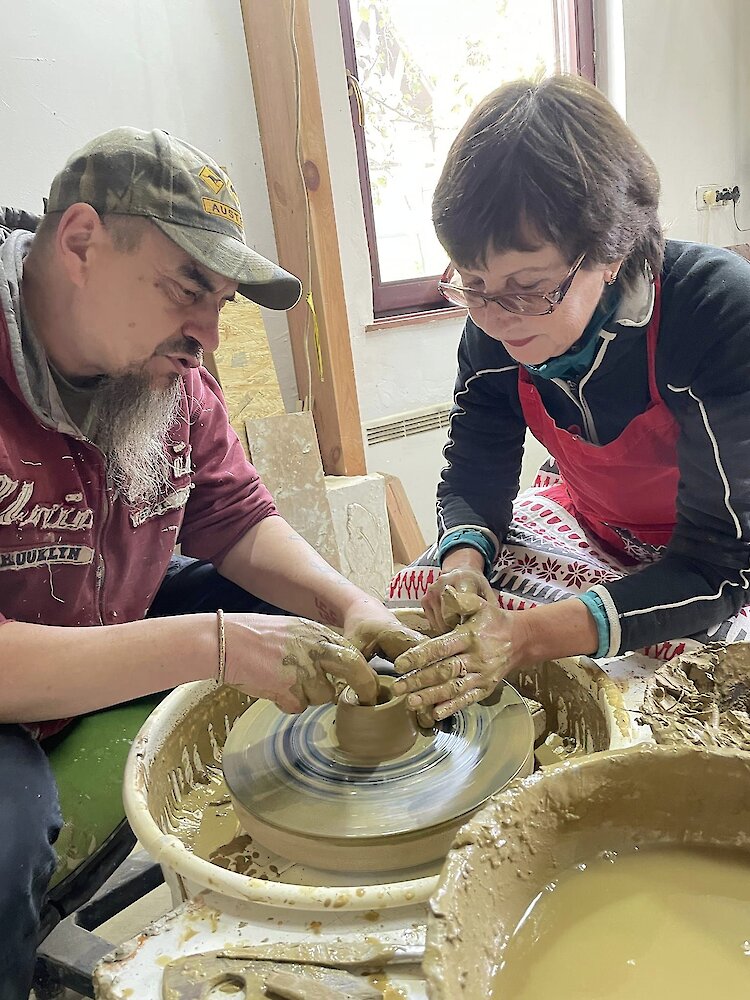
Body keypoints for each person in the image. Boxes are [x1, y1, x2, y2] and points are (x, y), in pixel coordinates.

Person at [0, 127, 420, 998]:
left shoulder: (169, 374)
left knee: (310, 630)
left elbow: (234, 520)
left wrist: (351, 608)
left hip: (106, 606)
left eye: (221, 302)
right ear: (80, 241)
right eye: (189, 288)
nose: (208, 336)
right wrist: (213, 645)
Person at [389, 75, 750, 724]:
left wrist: (525, 638)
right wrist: (463, 567)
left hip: (719, 553)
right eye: (473, 283)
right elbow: (476, 463)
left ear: (610, 251)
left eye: (528, 286)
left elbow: (718, 567)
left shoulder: (715, 312)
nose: (496, 316)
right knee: (422, 592)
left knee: (671, 708)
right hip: (597, 525)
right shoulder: (495, 321)